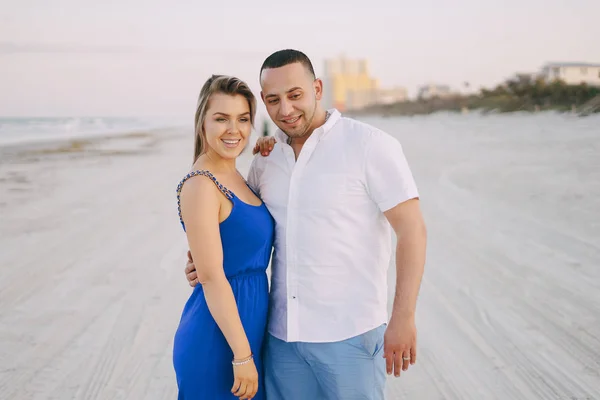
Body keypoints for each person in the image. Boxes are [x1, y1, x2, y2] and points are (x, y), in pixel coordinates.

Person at [184, 49, 427, 399]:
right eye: (273, 100)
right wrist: (200, 262)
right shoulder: (265, 160)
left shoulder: (370, 146)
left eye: (295, 95)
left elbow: (413, 231)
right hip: (281, 339)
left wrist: (403, 316)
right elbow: (237, 223)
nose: (285, 110)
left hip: (350, 336)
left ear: (317, 88)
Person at [173, 74, 274, 400]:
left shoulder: (235, 174)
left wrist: (274, 146)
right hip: (219, 341)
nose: (234, 130)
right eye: (221, 119)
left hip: (248, 330)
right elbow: (213, 276)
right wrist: (242, 355)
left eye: (243, 119)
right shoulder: (201, 184)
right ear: (202, 121)